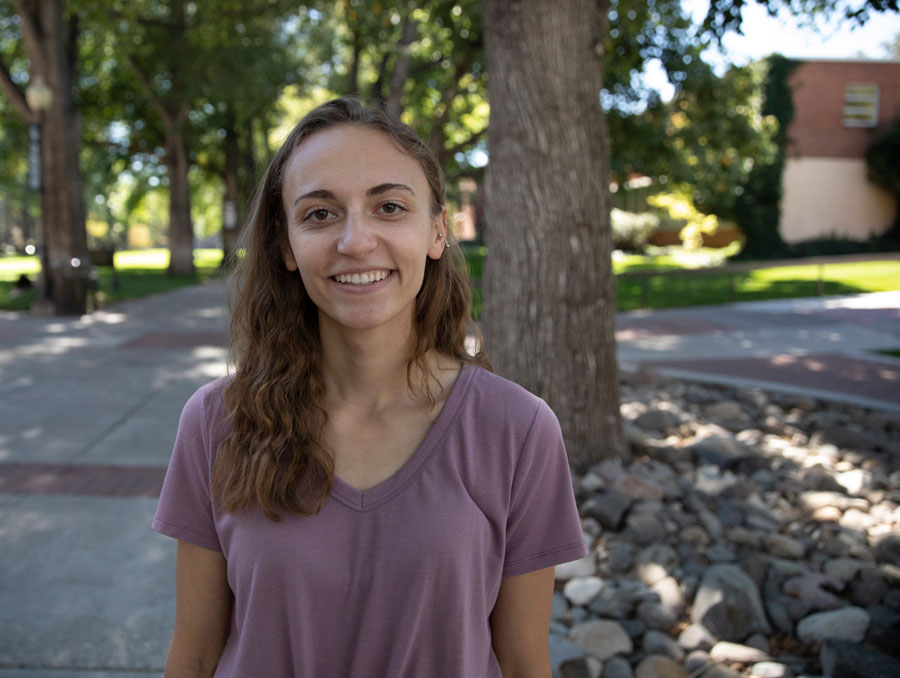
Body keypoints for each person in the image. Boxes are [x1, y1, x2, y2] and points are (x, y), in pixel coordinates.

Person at [152, 96, 586, 678]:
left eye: (388, 206)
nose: (356, 241)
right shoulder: (216, 422)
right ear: (285, 245)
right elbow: (195, 655)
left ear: (437, 232)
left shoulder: (518, 431)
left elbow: (525, 663)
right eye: (320, 214)